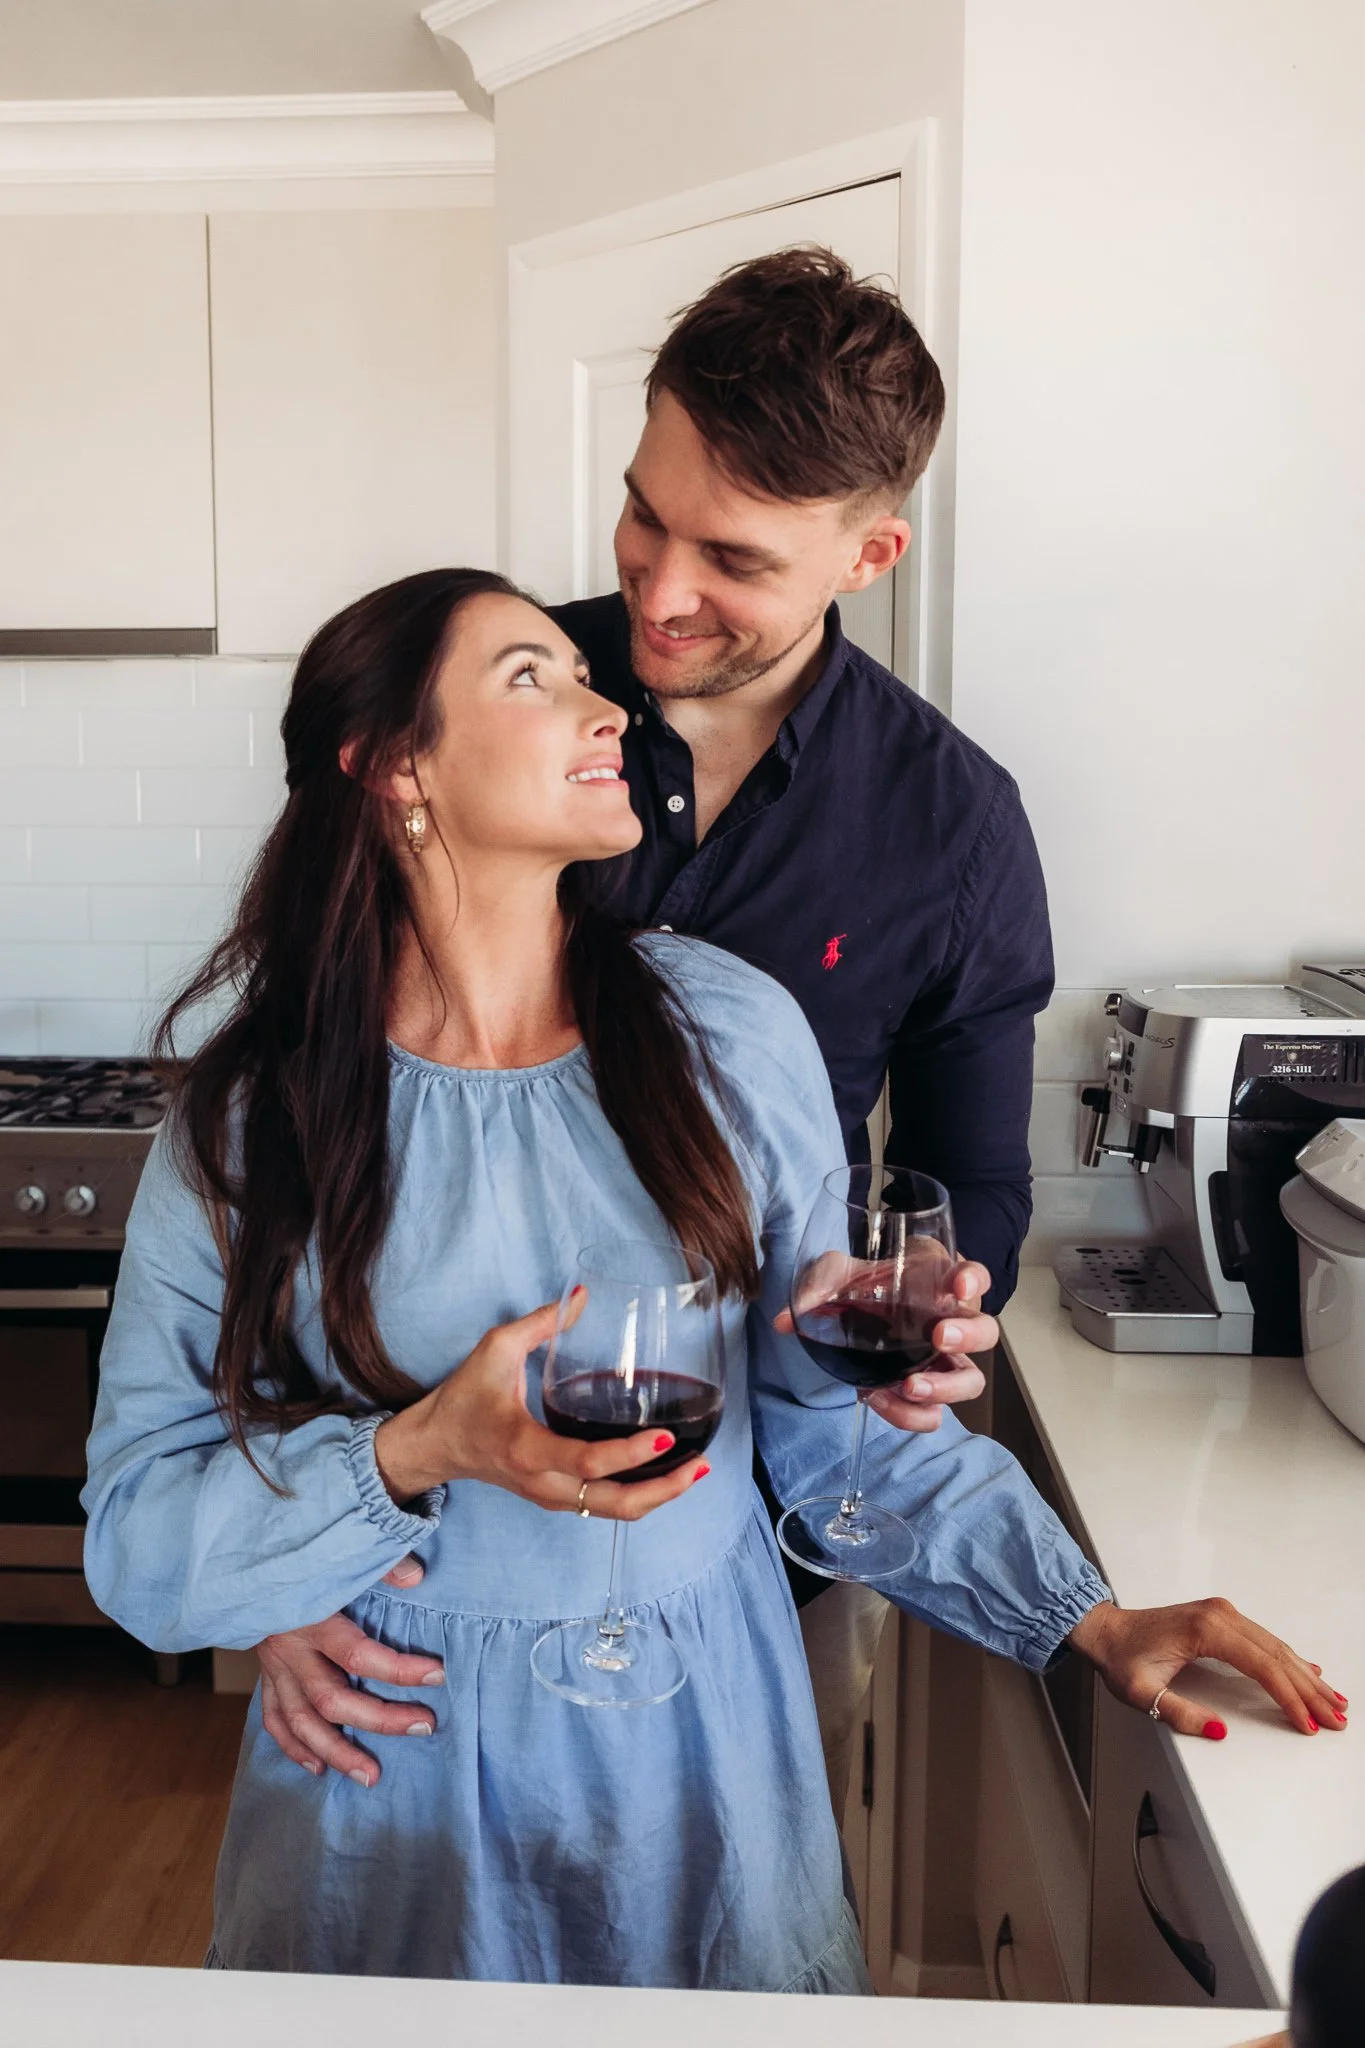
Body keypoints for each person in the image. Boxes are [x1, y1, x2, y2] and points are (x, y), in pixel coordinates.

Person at [252, 250, 1348, 1808]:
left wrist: (926, 1324)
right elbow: (295, 1121)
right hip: (411, 1569)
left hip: (774, 1513)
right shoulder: (488, 705)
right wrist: (286, 1566)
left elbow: (968, 1185)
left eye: (734, 558)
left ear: (870, 554)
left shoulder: (953, 826)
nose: (655, 587)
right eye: (645, 511)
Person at [86, 566, 1133, 1985]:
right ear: (396, 767)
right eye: (534, 679)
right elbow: (141, 1539)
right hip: (396, 1782)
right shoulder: (247, 1124)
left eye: (582, 678)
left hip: (703, 1782)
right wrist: (414, 1453)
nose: (604, 704)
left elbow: (836, 1453)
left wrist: (1092, 1618)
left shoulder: (729, 1035)